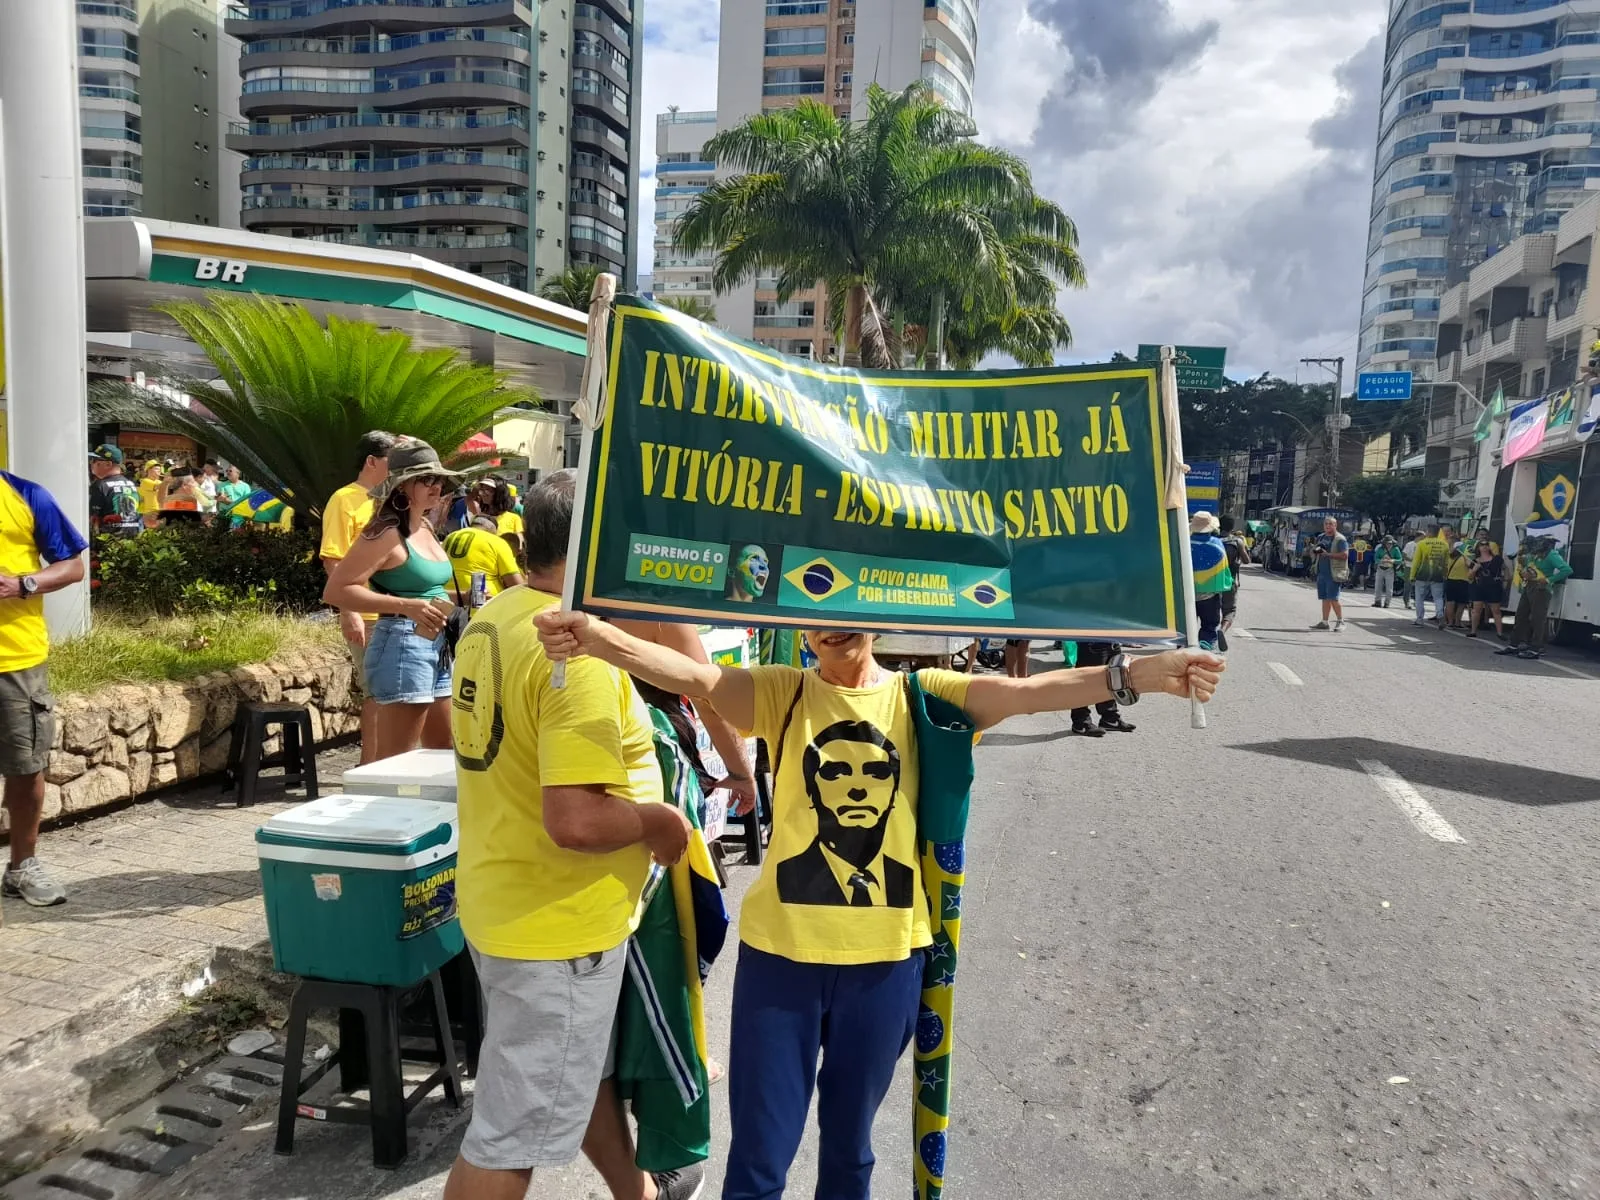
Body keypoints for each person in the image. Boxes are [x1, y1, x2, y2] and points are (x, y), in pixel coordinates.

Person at [536, 588, 1224, 1200]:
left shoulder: (924, 696)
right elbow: (693, 674)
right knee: (758, 1164)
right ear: (803, 630)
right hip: (781, 967)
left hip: (888, 965)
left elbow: (1026, 694)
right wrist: (596, 637)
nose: (837, 626)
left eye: (851, 610)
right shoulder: (785, 692)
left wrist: (1134, 676)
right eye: (820, 614)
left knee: (850, 1156)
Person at [442, 471, 705, 1200]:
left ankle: (638, 1193)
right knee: (508, 1139)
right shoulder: (575, 654)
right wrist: (659, 821)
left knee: (570, 1072)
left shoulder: (497, 617)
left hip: (508, 900)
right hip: (555, 928)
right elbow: (577, 820)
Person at [323, 436, 459, 761]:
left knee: (442, 757)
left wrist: (466, 597)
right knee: (397, 764)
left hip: (436, 644)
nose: (435, 487)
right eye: (426, 480)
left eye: (438, 480)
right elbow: (337, 589)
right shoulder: (384, 530)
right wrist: (406, 607)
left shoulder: (423, 525)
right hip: (402, 644)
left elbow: (422, 587)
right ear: (402, 485)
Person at [0, 471, 89, 908]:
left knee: (25, 765)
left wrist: (23, 584)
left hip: (15, 658)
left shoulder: (25, 494)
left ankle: (21, 867)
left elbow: (73, 565)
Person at [320, 431, 395, 764]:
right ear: (372, 461)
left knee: (392, 693)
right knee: (375, 692)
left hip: (394, 611)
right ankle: (370, 764)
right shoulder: (344, 499)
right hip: (365, 613)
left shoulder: (392, 499)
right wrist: (347, 610)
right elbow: (332, 558)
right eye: (394, 459)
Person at [1497, 535, 1573, 661]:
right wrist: (1522, 572)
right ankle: (1514, 644)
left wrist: (1549, 580)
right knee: (1520, 616)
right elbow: (1530, 570)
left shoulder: (1551, 555)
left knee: (1537, 619)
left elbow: (1567, 570)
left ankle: (1536, 648)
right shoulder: (1533, 554)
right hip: (1529, 586)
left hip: (1541, 589)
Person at [442, 515, 524, 603]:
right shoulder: (496, 541)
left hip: (448, 599)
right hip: (481, 605)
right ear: (493, 531)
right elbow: (516, 585)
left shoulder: (450, 537)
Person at [1069, 641, 1136, 736]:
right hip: (1092, 640)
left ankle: (1110, 718)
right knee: (1085, 682)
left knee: (1111, 679)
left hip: (1112, 639)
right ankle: (1080, 723)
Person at [1191, 511, 1233, 648]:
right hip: (1209, 596)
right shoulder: (1217, 544)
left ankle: (1183, 648)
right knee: (1209, 626)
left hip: (1186, 595)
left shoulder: (1184, 542)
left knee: (1185, 627)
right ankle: (1205, 646)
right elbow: (1224, 571)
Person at [87, 445, 142, 538]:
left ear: (108, 464)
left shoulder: (100, 485)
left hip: (108, 540)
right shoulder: (130, 484)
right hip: (133, 539)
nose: (91, 464)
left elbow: (93, 519)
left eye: (94, 461)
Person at [1309, 515, 1348, 631]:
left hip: (1334, 572)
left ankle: (1341, 621)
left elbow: (1345, 555)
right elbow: (1317, 550)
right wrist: (1315, 551)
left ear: (1335, 525)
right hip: (1322, 571)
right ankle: (1324, 622)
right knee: (1325, 598)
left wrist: (1328, 555)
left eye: (1330, 524)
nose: (1328, 526)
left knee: (1333, 598)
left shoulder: (1340, 539)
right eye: (1326, 524)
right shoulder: (1321, 537)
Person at [1467, 534, 1508, 639]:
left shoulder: (1497, 559)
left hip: (1493, 587)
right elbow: (1470, 576)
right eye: (1482, 545)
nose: (1484, 546)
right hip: (1479, 586)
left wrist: (1506, 580)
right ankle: (1473, 631)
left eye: (1486, 544)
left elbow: (1506, 569)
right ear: (1478, 547)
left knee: (1496, 610)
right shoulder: (1474, 560)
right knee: (1476, 609)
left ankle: (1500, 633)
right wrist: (1475, 569)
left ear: (1489, 546)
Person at [1409, 523, 1449, 627]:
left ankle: (1419, 619)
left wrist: (1412, 576)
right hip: (1438, 575)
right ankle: (1440, 614)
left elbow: (1416, 562)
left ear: (1429, 532)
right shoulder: (1444, 544)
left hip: (1422, 575)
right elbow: (1446, 562)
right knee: (1438, 598)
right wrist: (1445, 574)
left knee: (1419, 598)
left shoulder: (1422, 544)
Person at [1218, 516, 1250, 646]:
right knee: (1230, 611)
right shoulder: (1237, 541)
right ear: (1232, 528)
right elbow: (1247, 560)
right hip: (1230, 581)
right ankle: (1222, 630)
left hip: (1212, 582)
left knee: (1210, 610)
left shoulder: (1213, 539)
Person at [1444, 533, 1473, 630]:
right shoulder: (1464, 556)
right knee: (1461, 603)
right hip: (1463, 581)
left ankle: (1450, 623)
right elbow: (1469, 565)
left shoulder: (1449, 556)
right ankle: (1457, 622)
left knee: (1450, 602)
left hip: (1450, 580)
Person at [217, 463, 252, 529]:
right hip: (224, 516)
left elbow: (247, 503)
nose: (227, 472)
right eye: (227, 471)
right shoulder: (222, 485)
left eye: (230, 471)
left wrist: (230, 502)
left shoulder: (245, 486)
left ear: (238, 473)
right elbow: (220, 498)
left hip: (239, 518)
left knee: (235, 537)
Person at [1372, 535, 1402, 608]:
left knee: (1389, 588)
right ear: (1384, 543)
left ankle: (1387, 603)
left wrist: (1393, 560)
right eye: (1387, 543)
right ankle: (1377, 602)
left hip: (1390, 570)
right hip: (1380, 569)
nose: (1389, 544)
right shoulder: (1380, 549)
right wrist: (1381, 560)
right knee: (1378, 586)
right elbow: (1375, 558)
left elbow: (1400, 560)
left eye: (1390, 543)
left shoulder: (1396, 549)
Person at [136, 460, 164, 530]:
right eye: (156, 469)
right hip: (149, 512)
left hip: (159, 511)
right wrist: (168, 479)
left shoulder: (159, 481)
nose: (159, 471)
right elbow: (157, 486)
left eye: (160, 469)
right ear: (149, 470)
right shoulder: (145, 481)